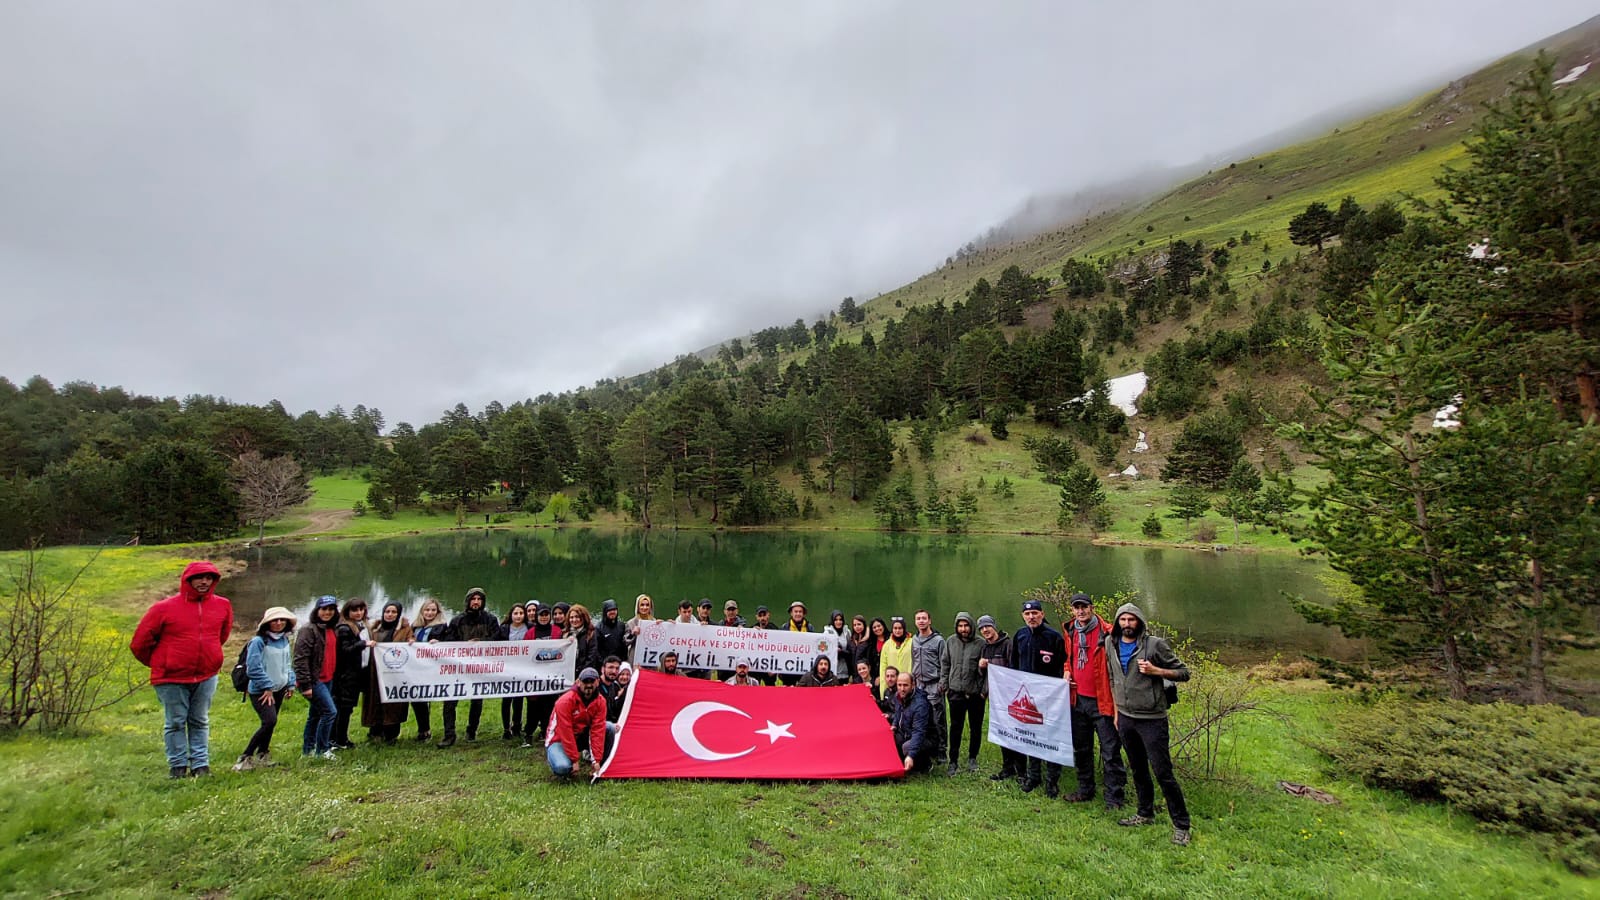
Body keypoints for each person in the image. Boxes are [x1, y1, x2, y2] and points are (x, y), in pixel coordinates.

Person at [129, 561, 234, 779]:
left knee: (199, 720)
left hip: (206, 675)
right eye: (199, 577)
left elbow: (221, 636)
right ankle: (178, 767)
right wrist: (163, 662)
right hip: (171, 678)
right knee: (175, 721)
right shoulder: (163, 608)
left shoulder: (223, 605)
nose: (204, 582)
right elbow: (139, 643)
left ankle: (200, 766)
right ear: (188, 580)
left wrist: (209, 656)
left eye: (209, 578)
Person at [1104, 602, 1192, 846]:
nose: (1127, 625)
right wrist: (1115, 710)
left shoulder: (1154, 645)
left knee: (1163, 772)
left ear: (1140, 622)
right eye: (1123, 620)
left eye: (1131, 620)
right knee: (1138, 768)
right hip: (1125, 716)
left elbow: (1184, 672)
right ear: (1117, 622)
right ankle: (1144, 813)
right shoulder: (1109, 644)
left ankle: (1181, 824)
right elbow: (1112, 677)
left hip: (1152, 718)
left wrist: (1157, 671)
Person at [1064, 593, 1125, 809]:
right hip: (1078, 700)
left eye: (1084, 607)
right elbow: (1067, 658)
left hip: (1103, 702)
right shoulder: (1070, 631)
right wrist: (1067, 671)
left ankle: (1114, 797)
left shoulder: (1108, 632)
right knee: (1081, 748)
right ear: (1072, 610)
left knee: (1110, 751)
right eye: (1076, 608)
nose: (1080, 612)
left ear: (1092, 608)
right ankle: (1085, 790)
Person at [232, 606, 297, 772]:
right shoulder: (258, 642)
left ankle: (263, 755)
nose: (279, 623)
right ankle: (244, 758)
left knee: (270, 724)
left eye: (282, 620)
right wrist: (267, 686)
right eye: (274, 620)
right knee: (269, 721)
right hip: (261, 691)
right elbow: (253, 668)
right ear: (267, 623)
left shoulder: (284, 640)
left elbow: (287, 664)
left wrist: (290, 683)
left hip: (280, 689)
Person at [1013, 599, 1066, 797]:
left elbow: (1062, 667)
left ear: (1042, 615)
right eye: (1027, 614)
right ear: (1023, 616)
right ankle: (1033, 776)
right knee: (1031, 738)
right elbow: (1014, 666)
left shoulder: (1054, 637)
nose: (1031, 617)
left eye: (1035, 613)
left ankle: (1052, 781)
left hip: (1050, 698)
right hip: (1028, 699)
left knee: (1051, 738)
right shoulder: (1020, 635)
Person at [439, 587, 499, 748]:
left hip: (480, 667)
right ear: (468, 601)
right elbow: (449, 641)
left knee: (477, 700)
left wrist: (481, 644)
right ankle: (449, 734)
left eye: (479, 599)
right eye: (473, 599)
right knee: (450, 701)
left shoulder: (491, 620)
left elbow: (497, 640)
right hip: (458, 667)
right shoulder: (458, 620)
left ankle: (471, 731)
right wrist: (465, 645)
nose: (476, 602)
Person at [294, 595, 340, 761]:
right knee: (330, 712)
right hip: (314, 680)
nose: (327, 612)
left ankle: (308, 750)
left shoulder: (331, 628)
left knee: (315, 715)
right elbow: (300, 658)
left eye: (331, 609)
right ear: (317, 610)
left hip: (328, 678)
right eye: (324, 609)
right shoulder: (308, 630)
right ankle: (322, 749)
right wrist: (305, 685)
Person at [977, 615, 1023, 782]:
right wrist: (981, 667)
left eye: (987, 627)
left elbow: (1012, 668)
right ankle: (1007, 767)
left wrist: (990, 662)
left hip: (1010, 696)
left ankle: (1021, 771)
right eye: (982, 628)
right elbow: (983, 673)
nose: (985, 630)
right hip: (995, 697)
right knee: (1002, 732)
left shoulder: (1007, 644)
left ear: (994, 626)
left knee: (1015, 732)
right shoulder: (985, 647)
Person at [546, 667, 614, 778]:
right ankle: (556, 758)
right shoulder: (565, 701)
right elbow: (565, 731)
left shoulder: (601, 702)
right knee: (563, 767)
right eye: (585, 682)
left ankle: (601, 767)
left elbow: (597, 730)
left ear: (598, 682)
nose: (588, 685)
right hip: (559, 739)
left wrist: (596, 760)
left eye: (592, 681)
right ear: (578, 682)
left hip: (580, 736)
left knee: (609, 727)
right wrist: (574, 759)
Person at [940, 611, 985, 775]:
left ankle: (972, 758)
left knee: (976, 727)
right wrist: (943, 682)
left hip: (975, 694)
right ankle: (953, 760)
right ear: (956, 627)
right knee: (956, 727)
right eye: (960, 625)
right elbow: (945, 663)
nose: (963, 629)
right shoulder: (950, 641)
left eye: (966, 625)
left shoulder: (981, 644)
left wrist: (983, 690)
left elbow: (986, 670)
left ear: (971, 626)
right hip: (955, 692)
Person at [363, 600, 412, 743]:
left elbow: (411, 641)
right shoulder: (374, 629)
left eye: (393, 612)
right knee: (375, 701)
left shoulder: (405, 629)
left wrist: (411, 642)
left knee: (393, 704)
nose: (390, 615)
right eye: (387, 612)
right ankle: (375, 731)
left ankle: (391, 734)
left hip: (395, 674)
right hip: (375, 673)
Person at [331, 598, 371, 749]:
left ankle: (341, 738)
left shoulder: (362, 626)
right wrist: (363, 644)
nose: (358, 613)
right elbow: (345, 650)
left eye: (361, 610)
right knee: (343, 708)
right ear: (347, 612)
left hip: (357, 674)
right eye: (355, 610)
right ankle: (337, 739)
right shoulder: (344, 628)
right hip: (346, 676)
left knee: (347, 709)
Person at [408, 598, 450, 742]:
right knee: (416, 699)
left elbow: (450, 643)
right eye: (427, 610)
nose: (430, 613)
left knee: (424, 698)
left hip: (432, 668)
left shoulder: (442, 626)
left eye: (433, 610)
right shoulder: (414, 627)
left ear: (437, 612)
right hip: (415, 667)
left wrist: (440, 643)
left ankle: (427, 730)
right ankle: (423, 729)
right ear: (422, 611)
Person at [910, 609, 946, 762]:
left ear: (930, 621)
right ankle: (927, 748)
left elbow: (944, 663)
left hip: (934, 683)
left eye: (924, 618)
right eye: (918, 618)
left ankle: (942, 750)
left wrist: (942, 683)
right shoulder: (914, 639)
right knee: (921, 717)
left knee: (938, 718)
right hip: (919, 684)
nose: (921, 621)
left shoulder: (938, 641)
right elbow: (914, 660)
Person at [887, 672, 933, 774]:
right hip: (906, 733)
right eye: (899, 685)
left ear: (913, 685)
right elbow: (898, 712)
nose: (902, 689)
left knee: (906, 747)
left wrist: (911, 755)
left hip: (925, 738)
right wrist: (894, 725)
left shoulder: (920, 705)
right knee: (889, 738)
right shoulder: (898, 696)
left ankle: (925, 765)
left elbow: (919, 732)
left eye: (905, 685)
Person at [499, 603, 531, 740]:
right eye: (515, 613)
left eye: (521, 613)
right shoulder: (504, 629)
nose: (518, 616)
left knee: (518, 700)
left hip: (522, 669)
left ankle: (516, 726)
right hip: (506, 669)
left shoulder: (530, 628)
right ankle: (506, 728)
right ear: (511, 615)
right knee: (506, 700)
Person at [566, 603, 602, 676]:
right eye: (571, 617)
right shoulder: (566, 634)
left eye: (577, 617)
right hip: (568, 674)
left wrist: (580, 674)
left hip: (585, 674)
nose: (574, 620)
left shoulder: (591, 634)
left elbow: (591, 658)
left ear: (583, 617)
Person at [879, 617, 913, 695]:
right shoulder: (887, 644)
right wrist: (883, 689)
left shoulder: (912, 642)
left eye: (900, 628)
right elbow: (883, 666)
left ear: (904, 629)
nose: (897, 631)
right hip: (892, 683)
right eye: (895, 628)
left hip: (907, 682)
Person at [596, 599, 629, 663]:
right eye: (609, 610)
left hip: (620, 662)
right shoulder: (598, 628)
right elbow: (596, 650)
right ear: (605, 612)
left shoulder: (621, 625)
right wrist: (602, 663)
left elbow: (625, 644)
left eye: (614, 610)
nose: (612, 612)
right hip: (605, 663)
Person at [624, 593, 654, 663]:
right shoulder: (631, 623)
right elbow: (625, 642)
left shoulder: (654, 621)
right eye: (642, 605)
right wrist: (632, 634)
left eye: (647, 605)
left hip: (650, 657)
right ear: (638, 606)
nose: (645, 607)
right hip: (635, 656)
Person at [846, 615, 877, 684]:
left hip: (866, 674)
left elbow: (871, 658)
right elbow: (849, 658)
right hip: (854, 675)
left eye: (859, 624)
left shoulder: (869, 640)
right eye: (854, 625)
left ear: (864, 624)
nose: (857, 627)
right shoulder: (851, 641)